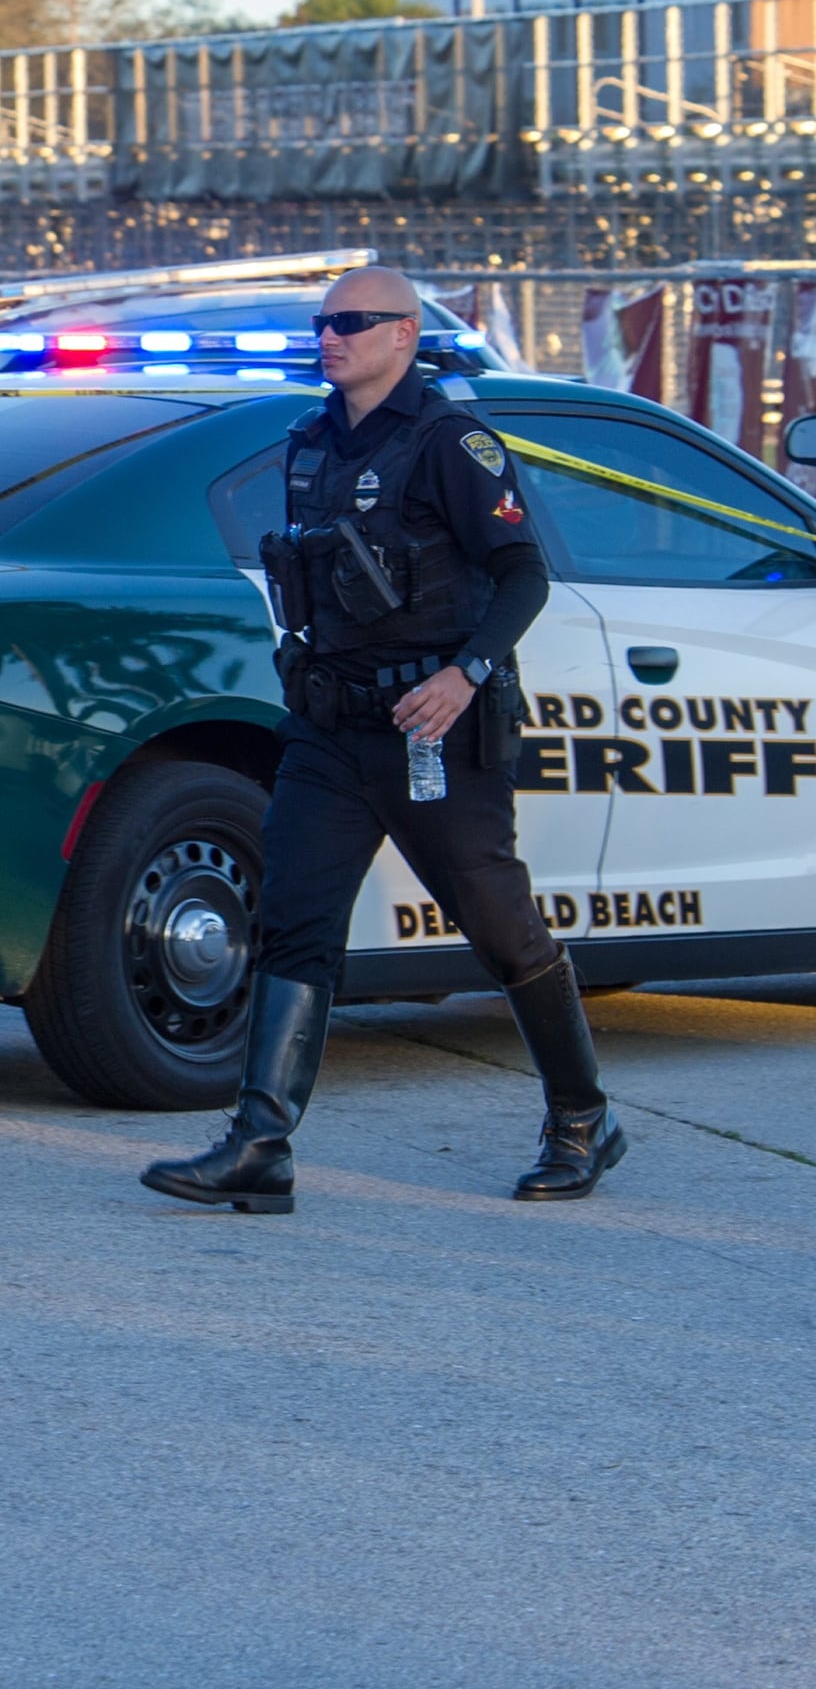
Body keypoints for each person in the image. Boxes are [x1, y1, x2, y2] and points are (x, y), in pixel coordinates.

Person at [142, 266, 624, 1216]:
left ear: (404, 334)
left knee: (495, 922)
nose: (331, 336)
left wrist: (466, 673)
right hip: (331, 727)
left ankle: (582, 1117)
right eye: (323, 323)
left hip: (433, 727)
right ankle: (261, 1144)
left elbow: (523, 574)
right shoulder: (309, 441)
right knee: (296, 920)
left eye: (353, 322)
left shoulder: (450, 441)